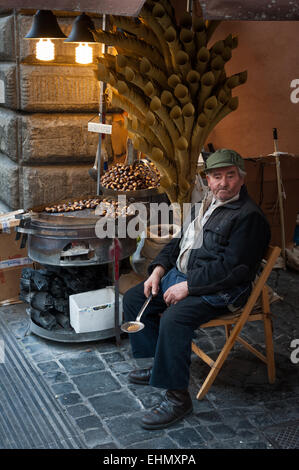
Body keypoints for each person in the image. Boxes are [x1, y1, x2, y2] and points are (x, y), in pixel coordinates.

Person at [123, 149, 271, 430]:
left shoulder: (248, 217)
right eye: (217, 177)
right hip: (185, 276)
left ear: (241, 179)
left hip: (222, 290)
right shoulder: (204, 204)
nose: (223, 183)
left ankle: (178, 399)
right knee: (134, 298)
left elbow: (233, 269)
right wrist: (158, 270)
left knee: (174, 319)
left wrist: (188, 287)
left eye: (230, 176)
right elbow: (178, 243)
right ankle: (160, 364)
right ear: (208, 180)